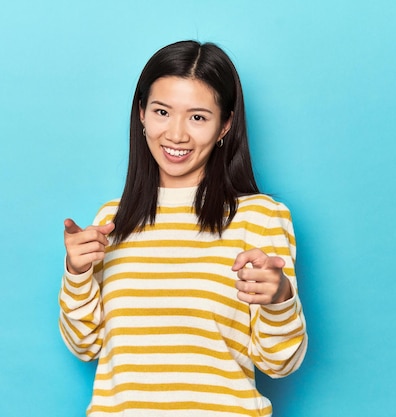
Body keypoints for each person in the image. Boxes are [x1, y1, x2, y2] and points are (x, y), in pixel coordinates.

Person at [59, 40, 307, 417]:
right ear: (141, 113)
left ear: (225, 124)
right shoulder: (114, 218)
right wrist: (76, 273)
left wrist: (280, 299)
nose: (176, 134)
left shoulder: (259, 217)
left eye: (198, 117)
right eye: (162, 111)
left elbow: (280, 362)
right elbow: (85, 345)